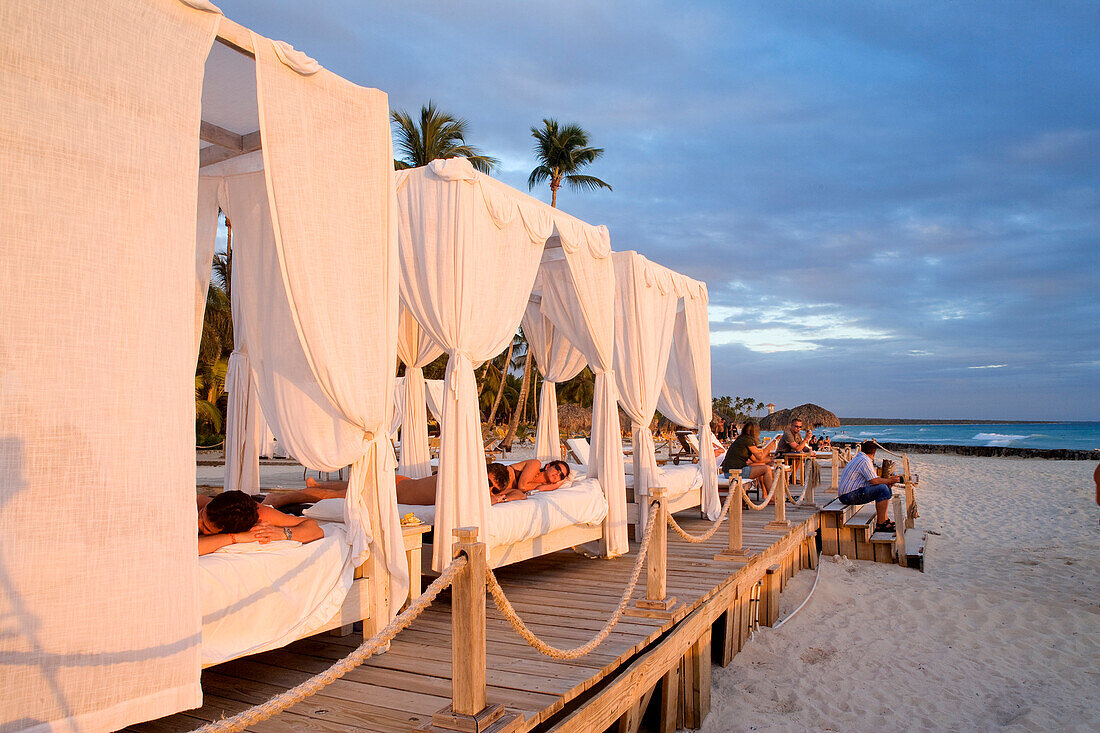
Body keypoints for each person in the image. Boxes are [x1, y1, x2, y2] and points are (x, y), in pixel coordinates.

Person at [197, 490, 324, 556]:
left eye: (205, 527)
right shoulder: (200, 503)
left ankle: (274, 499)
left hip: (276, 509)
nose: (197, 523)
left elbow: (314, 529)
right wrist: (234, 538)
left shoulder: (262, 516)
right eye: (201, 514)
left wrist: (283, 533)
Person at [837, 440, 901, 533]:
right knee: (883, 488)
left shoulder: (859, 458)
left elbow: (872, 479)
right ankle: (881, 523)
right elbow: (874, 481)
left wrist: (888, 482)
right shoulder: (865, 460)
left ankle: (884, 519)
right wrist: (891, 480)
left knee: (885, 487)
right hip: (848, 496)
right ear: (874, 453)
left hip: (847, 494)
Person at [720, 421, 776, 491]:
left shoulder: (742, 439)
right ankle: (771, 498)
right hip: (734, 473)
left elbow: (756, 460)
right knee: (766, 469)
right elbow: (760, 457)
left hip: (730, 471)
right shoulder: (747, 440)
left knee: (762, 465)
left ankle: (766, 494)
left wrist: (771, 460)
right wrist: (768, 448)